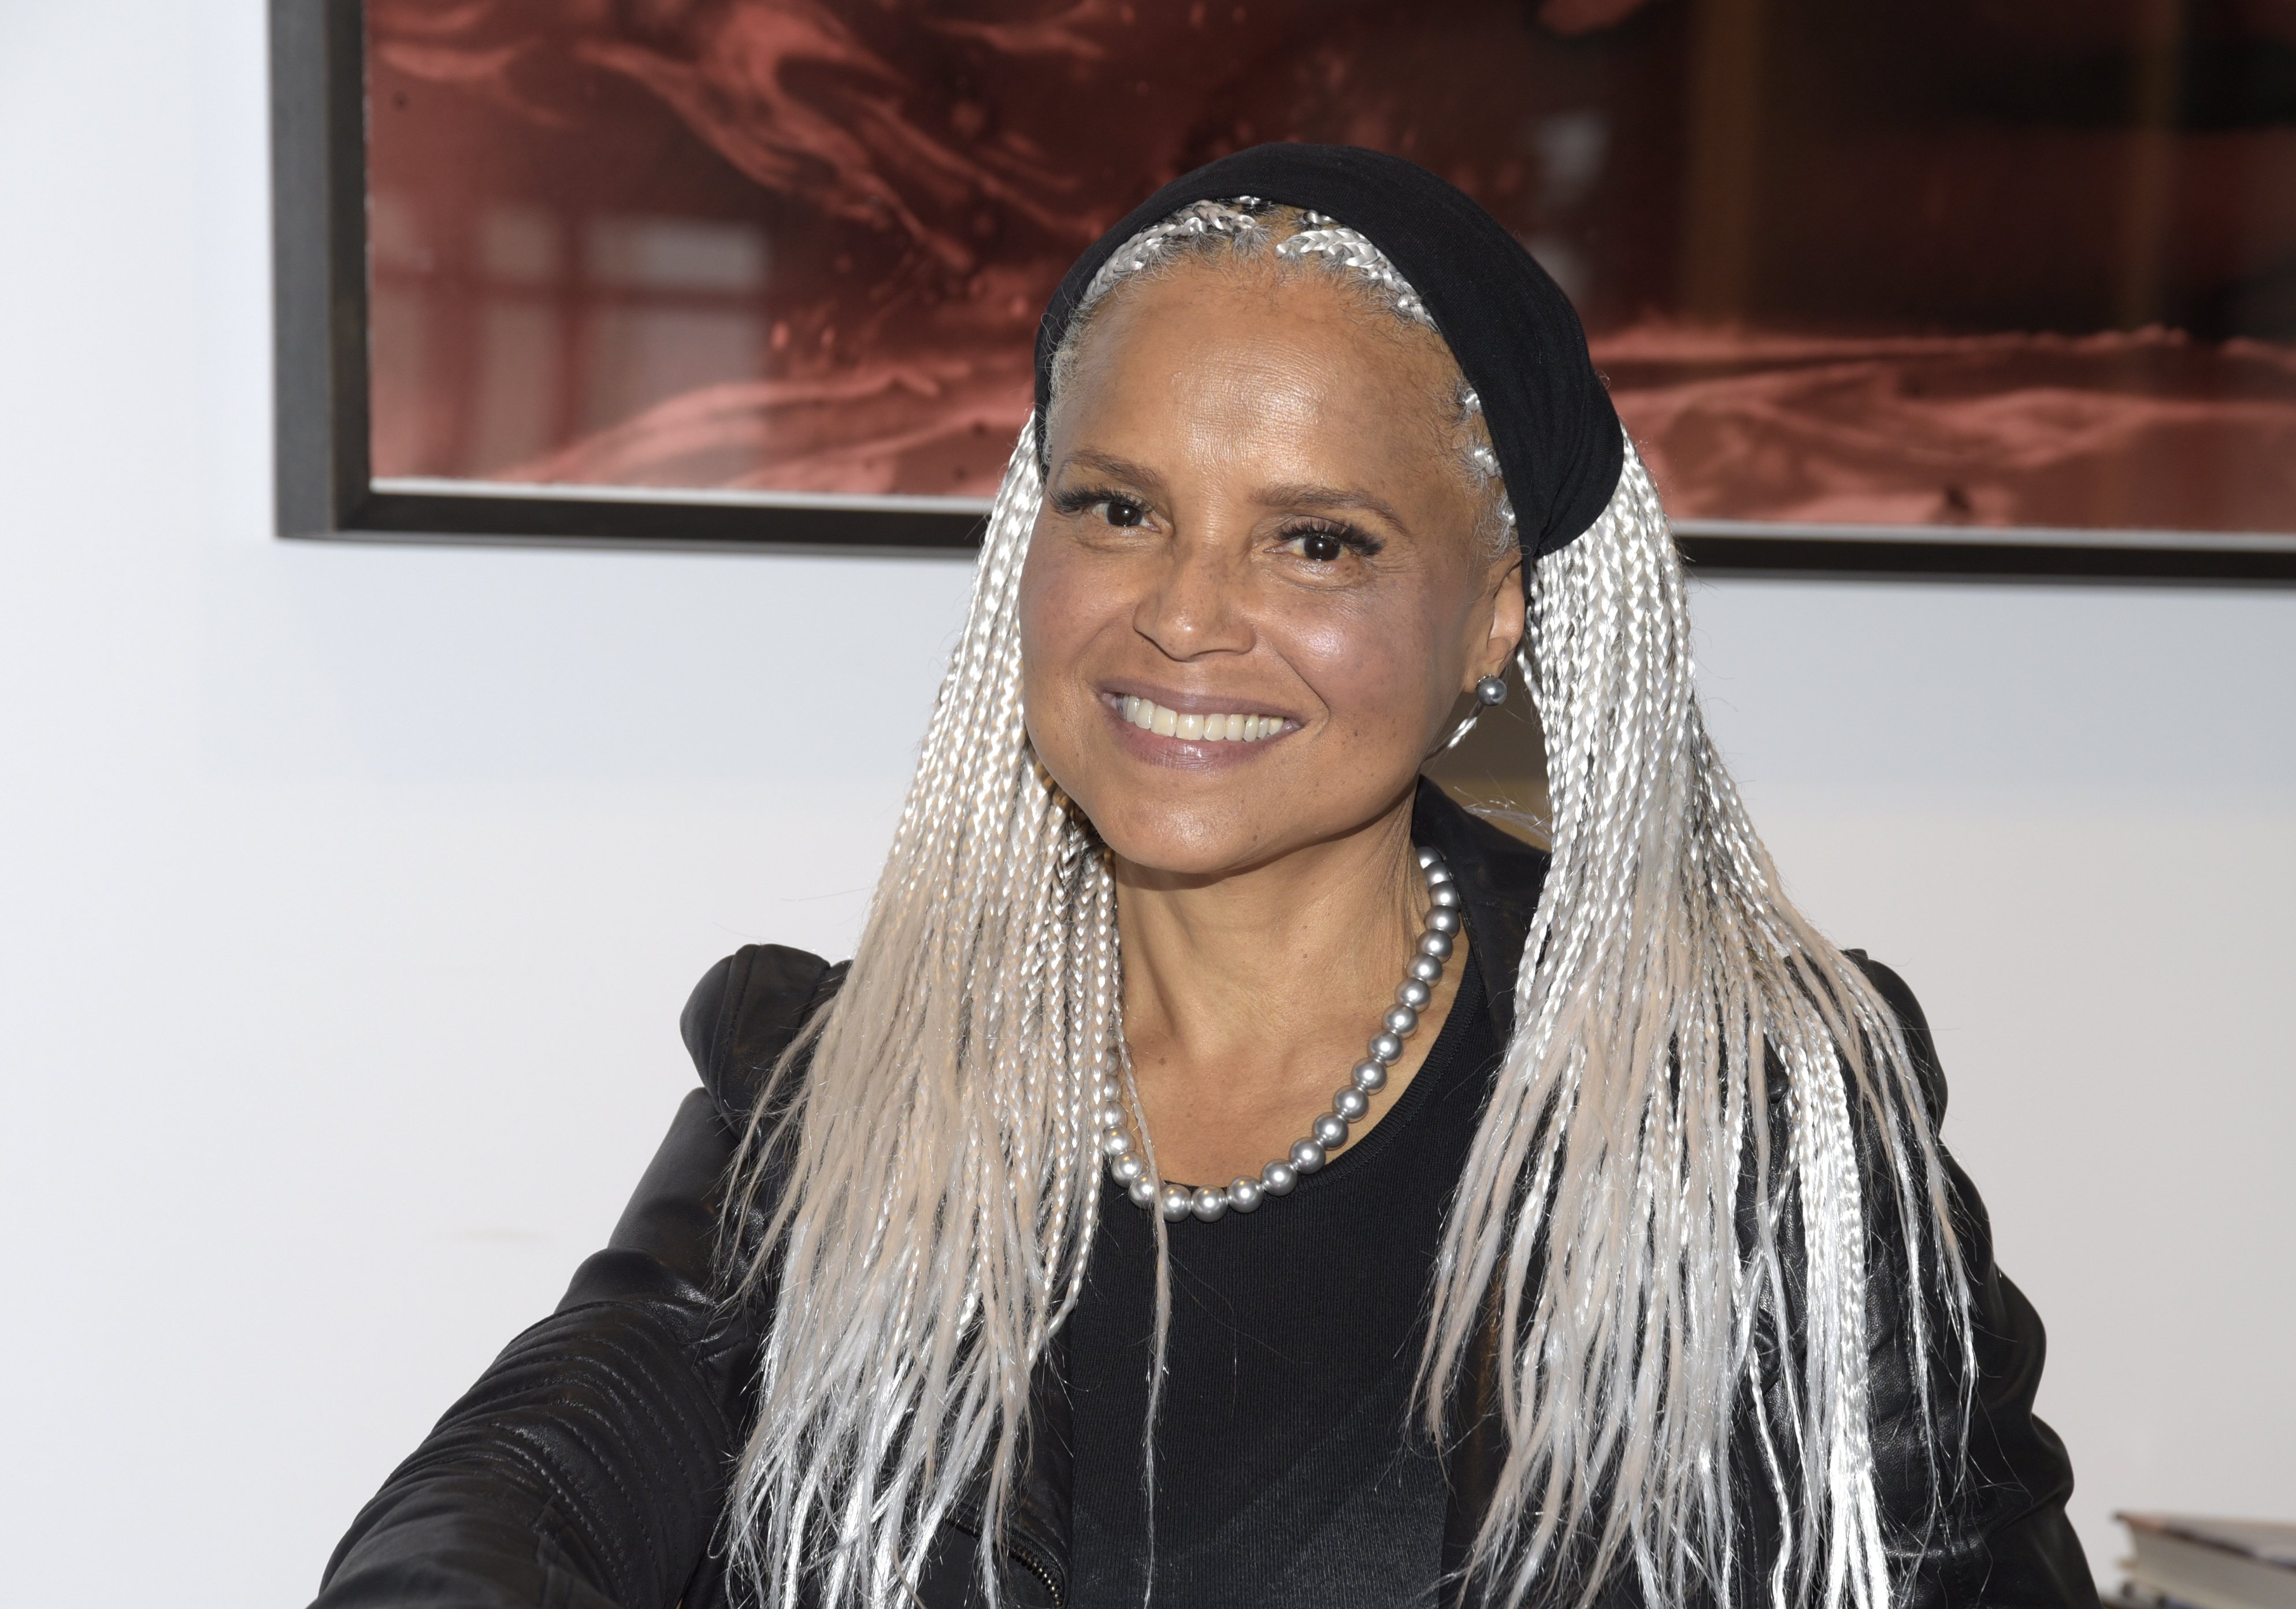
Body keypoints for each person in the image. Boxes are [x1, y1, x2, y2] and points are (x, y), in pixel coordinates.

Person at [314, 145, 2099, 1609]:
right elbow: (513, 1486)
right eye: (1119, 508)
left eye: (1316, 539)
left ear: (1493, 613)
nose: (1181, 613)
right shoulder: (837, 1098)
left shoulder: (1751, 1123)